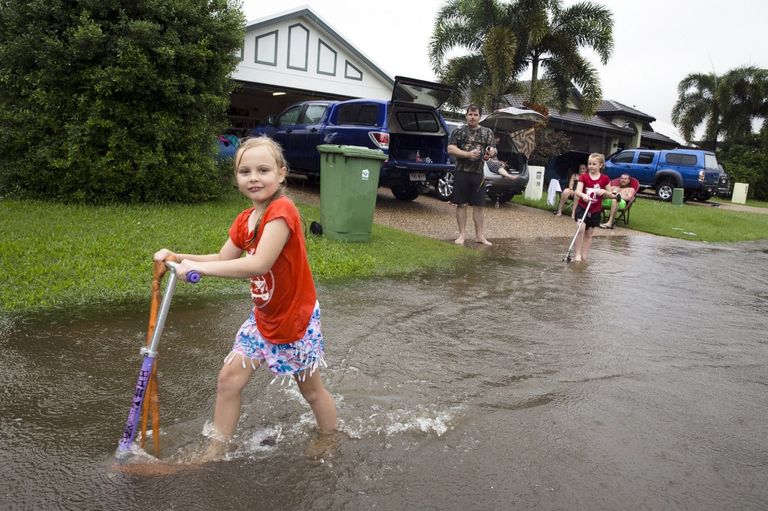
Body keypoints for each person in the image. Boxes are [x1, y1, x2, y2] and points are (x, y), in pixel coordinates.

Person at [154, 136, 337, 460]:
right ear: (236, 178)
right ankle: (217, 448)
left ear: (281, 174)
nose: (254, 177)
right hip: (264, 318)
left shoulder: (283, 211)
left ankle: (329, 436)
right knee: (228, 379)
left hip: (296, 317)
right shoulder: (244, 220)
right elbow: (221, 256)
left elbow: (259, 263)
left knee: (310, 389)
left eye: (263, 170)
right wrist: (178, 256)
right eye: (245, 171)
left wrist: (200, 270)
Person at [447, 104, 497, 246]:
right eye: (470, 114)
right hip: (461, 172)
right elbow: (451, 148)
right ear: (466, 115)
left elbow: (493, 150)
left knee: (479, 206)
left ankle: (480, 236)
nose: (473, 117)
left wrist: (490, 152)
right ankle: (461, 235)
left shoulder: (487, 132)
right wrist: (467, 154)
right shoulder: (459, 131)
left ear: (480, 117)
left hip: (478, 174)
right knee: (462, 205)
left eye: (475, 115)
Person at [571, 153, 612, 262]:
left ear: (601, 165)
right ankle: (577, 255)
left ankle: (584, 256)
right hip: (583, 207)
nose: (591, 166)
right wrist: (583, 195)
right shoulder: (584, 177)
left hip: (595, 210)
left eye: (594, 164)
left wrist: (604, 192)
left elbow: (611, 194)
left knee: (589, 233)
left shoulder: (605, 179)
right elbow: (577, 191)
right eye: (589, 164)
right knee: (580, 229)